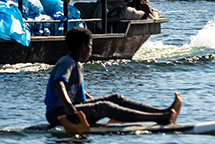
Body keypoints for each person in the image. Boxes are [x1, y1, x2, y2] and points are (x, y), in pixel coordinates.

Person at [45, 27, 182, 131]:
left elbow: (81, 96)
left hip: (73, 108)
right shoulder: (66, 62)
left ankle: (163, 112)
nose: (91, 50)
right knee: (104, 107)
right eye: (90, 46)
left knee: (115, 98)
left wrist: (94, 102)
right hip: (58, 114)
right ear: (83, 47)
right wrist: (70, 109)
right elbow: (59, 84)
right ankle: (160, 118)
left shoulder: (77, 65)